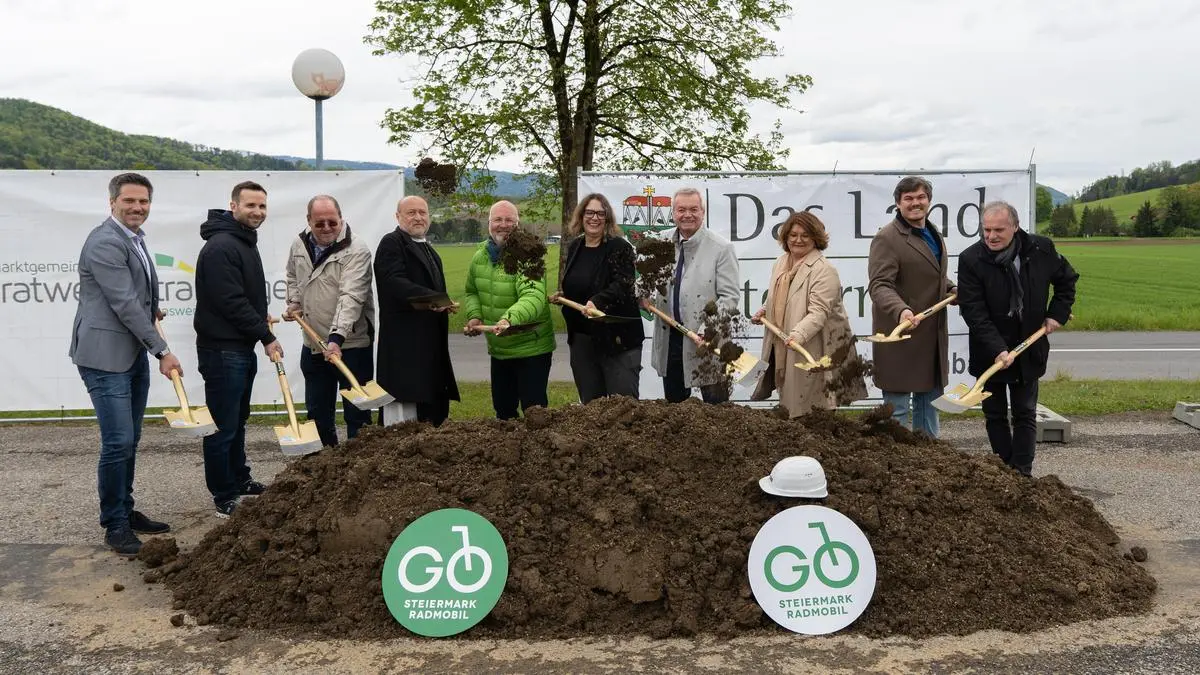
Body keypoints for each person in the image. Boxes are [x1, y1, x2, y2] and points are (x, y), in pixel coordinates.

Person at [70, 173, 180, 556]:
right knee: (118, 442)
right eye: (130, 201)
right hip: (105, 357)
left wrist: (153, 309)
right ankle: (114, 523)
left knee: (130, 439)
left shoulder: (134, 239)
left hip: (129, 353)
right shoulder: (104, 241)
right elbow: (123, 303)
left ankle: (125, 510)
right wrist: (162, 349)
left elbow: (136, 297)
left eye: (144, 202)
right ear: (112, 202)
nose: (137, 207)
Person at [957, 201, 1078, 476]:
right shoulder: (971, 259)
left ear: (1015, 226)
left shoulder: (1041, 249)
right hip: (990, 352)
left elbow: (1067, 280)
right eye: (986, 230)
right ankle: (1004, 471)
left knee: (1025, 413)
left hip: (1029, 347)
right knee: (995, 415)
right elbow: (974, 312)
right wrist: (998, 349)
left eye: (998, 229)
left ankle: (1022, 473)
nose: (991, 236)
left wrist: (1057, 313)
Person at [194, 181, 280, 518]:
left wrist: (260, 317)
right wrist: (265, 335)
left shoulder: (242, 241)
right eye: (250, 206)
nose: (257, 212)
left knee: (237, 421)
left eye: (262, 206)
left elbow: (240, 295)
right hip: (223, 351)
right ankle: (223, 494)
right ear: (233, 207)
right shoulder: (221, 247)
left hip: (238, 347)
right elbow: (230, 301)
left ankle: (239, 479)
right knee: (222, 425)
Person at [750, 212, 866, 415]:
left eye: (805, 235)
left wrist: (798, 334)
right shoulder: (781, 263)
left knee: (815, 404)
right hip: (787, 343)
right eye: (793, 235)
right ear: (785, 237)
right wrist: (766, 311)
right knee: (791, 401)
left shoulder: (824, 270)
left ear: (816, 238)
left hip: (816, 345)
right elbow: (782, 299)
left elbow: (819, 312)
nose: (798, 240)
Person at [283, 195, 377, 446]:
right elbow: (292, 275)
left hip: (351, 344)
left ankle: (360, 465)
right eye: (319, 223)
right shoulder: (299, 244)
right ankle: (324, 467)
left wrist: (336, 338)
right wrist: (294, 301)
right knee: (317, 412)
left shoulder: (356, 249)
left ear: (341, 218)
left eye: (332, 222)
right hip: (313, 342)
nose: (326, 228)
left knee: (357, 412)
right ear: (308, 221)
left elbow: (351, 297)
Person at [868, 176, 957, 437]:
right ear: (898, 203)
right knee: (895, 412)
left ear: (929, 201)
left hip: (931, 336)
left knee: (929, 407)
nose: (915, 203)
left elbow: (932, 273)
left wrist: (950, 288)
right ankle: (894, 465)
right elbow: (880, 285)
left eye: (921, 197)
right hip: (901, 335)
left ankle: (930, 462)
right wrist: (901, 310)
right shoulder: (887, 238)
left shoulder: (932, 233)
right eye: (909, 199)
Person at [646, 187, 740, 403]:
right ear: (673, 213)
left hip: (706, 341)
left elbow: (729, 297)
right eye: (681, 210)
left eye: (693, 209)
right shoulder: (661, 243)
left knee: (716, 408)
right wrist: (644, 295)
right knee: (676, 409)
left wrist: (709, 329)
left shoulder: (721, 248)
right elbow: (648, 282)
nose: (687, 215)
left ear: (703, 212)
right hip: (670, 339)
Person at [463, 200, 556, 419]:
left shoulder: (528, 255)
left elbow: (533, 296)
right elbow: (472, 292)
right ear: (489, 224)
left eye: (509, 220)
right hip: (500, 349)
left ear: (517, 224)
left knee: (535, 413)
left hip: (531, 348)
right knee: (504, 410)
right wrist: (475, 316)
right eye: (498, 219)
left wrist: (509, 319)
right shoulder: (480, 258)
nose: (503, 225)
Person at [374, 195, 460, 426]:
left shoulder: (430, 250)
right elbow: (394, 283)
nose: (418, 217)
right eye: (411, 213)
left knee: (431, 411)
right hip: (404, 348)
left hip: (429, 347)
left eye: (423, 212)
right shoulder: (392, 243)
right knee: (404, 417)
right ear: (398, 216)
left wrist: (441, 303)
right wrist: (437, 300)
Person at [552, 193, 643, 403]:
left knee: (623, 407)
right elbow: (580, 284)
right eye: (590, 212)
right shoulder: (575, 247)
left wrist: (597, 302)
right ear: (581, 215)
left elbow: (624, 284)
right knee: (592, 407)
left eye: (600, 213)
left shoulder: (620, 247)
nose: (595, 218)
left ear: (607, 218)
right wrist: (565, 296)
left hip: (617, 341)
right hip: (583, 342)